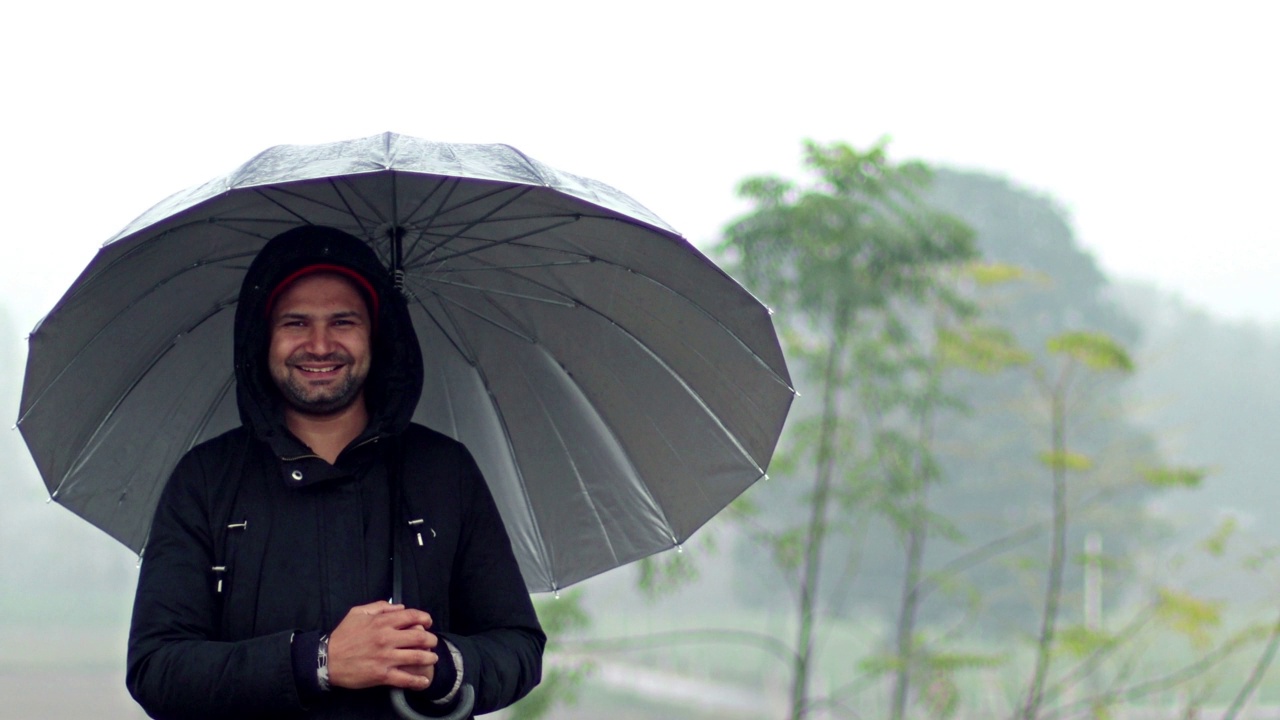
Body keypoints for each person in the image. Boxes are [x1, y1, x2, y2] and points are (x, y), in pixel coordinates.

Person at [127, 226, 544, 719]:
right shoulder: (206, 480)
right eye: (296, 323)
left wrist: (440, 666)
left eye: (343, 321)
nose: (320, 345)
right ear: (262, 339)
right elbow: (157, 669)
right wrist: (317, 661)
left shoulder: (443, 471)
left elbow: (518, 646)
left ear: (377, 334)